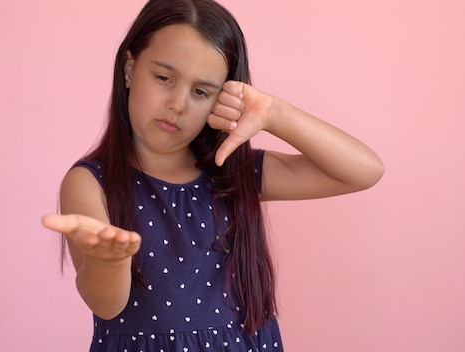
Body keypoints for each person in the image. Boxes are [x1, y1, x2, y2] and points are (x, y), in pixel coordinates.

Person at [42, 0, 384, 350]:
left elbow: (363, 170)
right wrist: (108, 259)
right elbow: (106, 304)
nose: (178, 103)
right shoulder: (90, 182)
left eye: (201, 92)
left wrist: (273, 113)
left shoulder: (231, 174)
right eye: (163, 78)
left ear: (222, 100)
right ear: (129, 69)